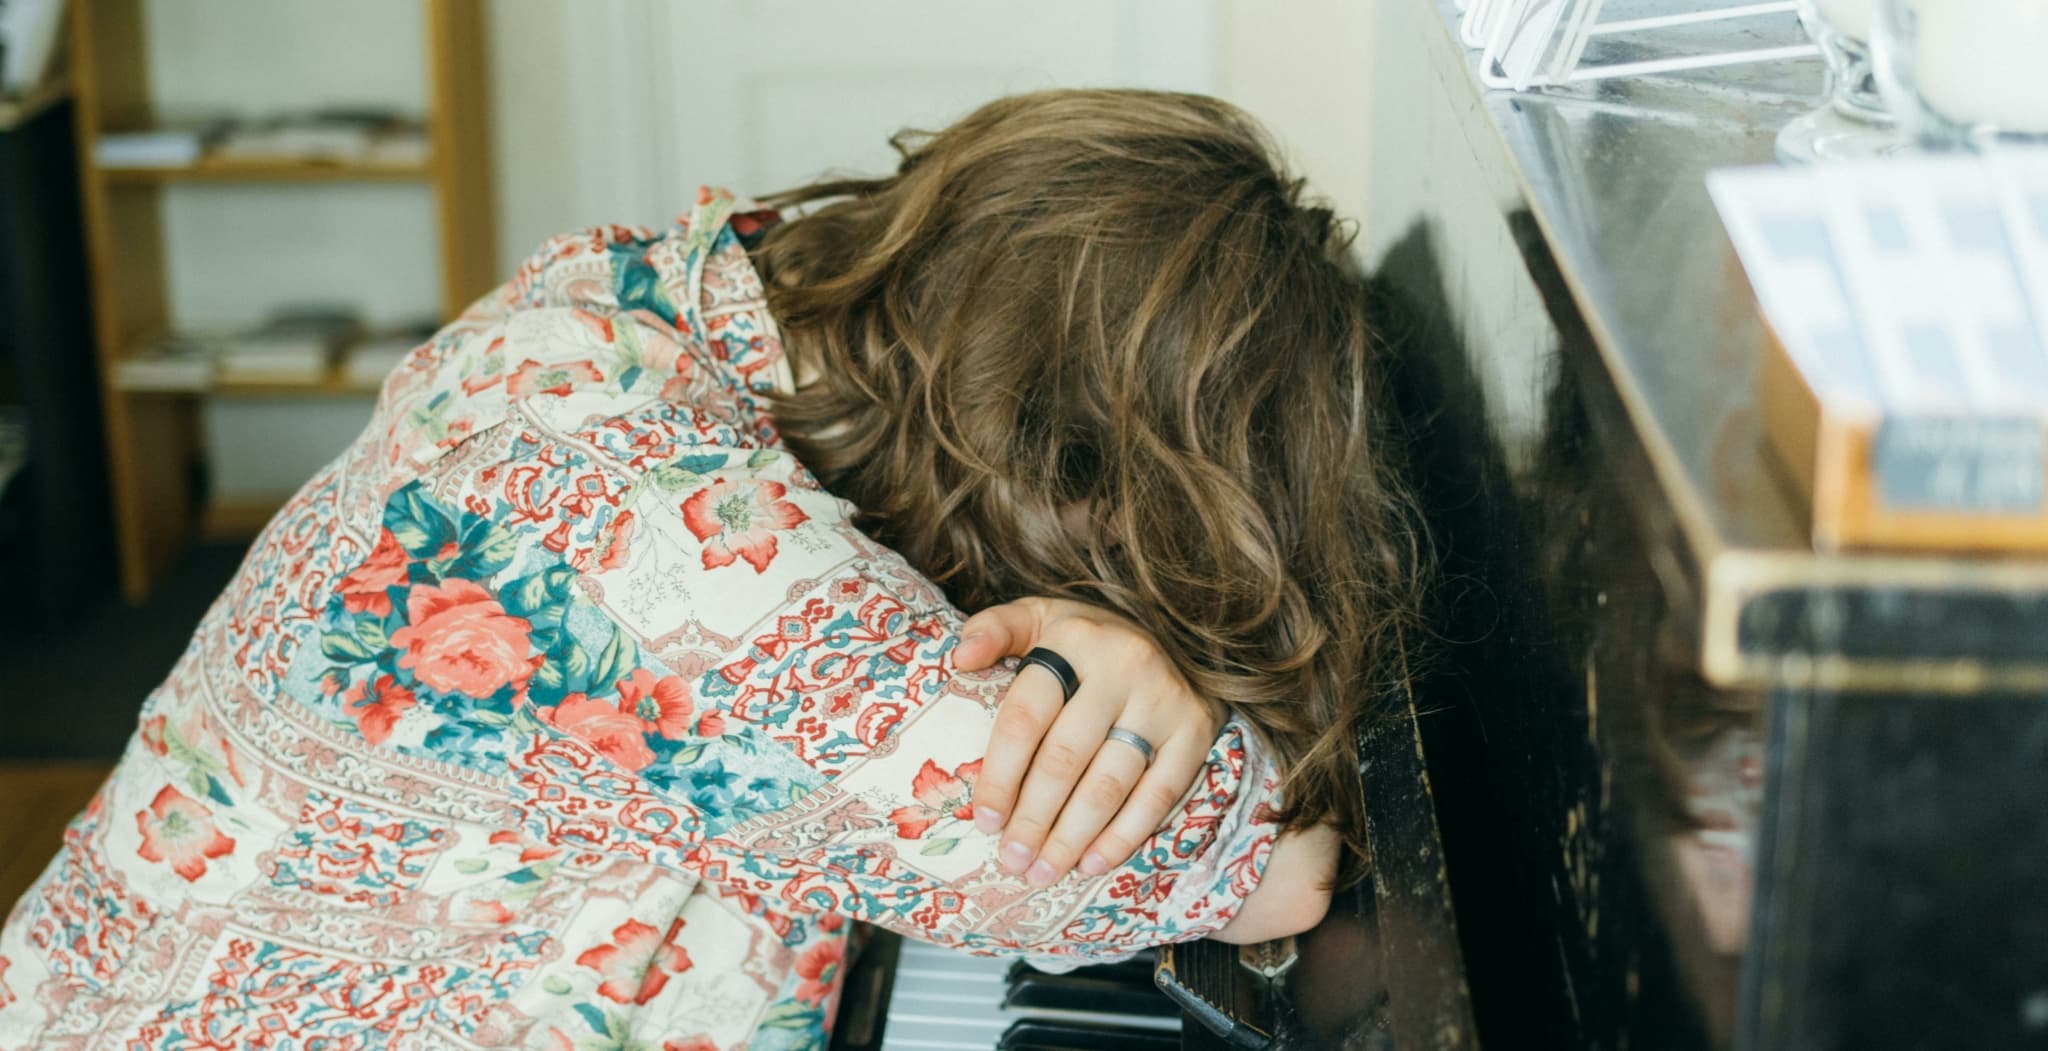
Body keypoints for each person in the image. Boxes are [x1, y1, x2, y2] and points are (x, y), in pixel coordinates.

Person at [0, 89, 1418, 1050]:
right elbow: (1277, 875)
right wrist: (1146, 670)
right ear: (1080, 471)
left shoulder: (706, 297)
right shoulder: (666, 547)